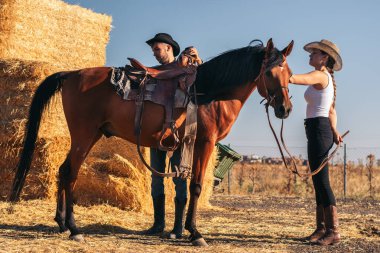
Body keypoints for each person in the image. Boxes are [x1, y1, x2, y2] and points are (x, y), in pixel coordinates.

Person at [142, 33, 202, 239]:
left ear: (169, 48)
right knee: (156, 177)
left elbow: (201, 84)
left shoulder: (188, 69)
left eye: (157, 49)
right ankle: (158, 224)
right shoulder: (154, 73)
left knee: (180, 178)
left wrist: (198, 61)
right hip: (156, 132)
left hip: (179, 132)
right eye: (153, 51)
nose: (155, 53)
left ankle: (177, 228)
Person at [289, 39, 343, 245]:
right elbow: (331, 110)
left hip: (319, 130)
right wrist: (335, 130)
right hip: (318, 129)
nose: (310, 55)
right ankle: (321, 228)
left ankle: (333, 231)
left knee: (322, 182)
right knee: (318, 181)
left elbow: (295, 79)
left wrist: (282, 71)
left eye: (314, 53)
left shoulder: (319, 75)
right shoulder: (324, 77)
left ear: (324, 57)